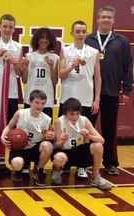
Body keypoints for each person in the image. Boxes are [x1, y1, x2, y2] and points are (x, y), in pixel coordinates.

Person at [85, 5, 133, 175]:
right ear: (97, 19)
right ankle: (84, 161)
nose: (106, 19)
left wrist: (127, 90)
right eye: (103, 17)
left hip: (112, 91)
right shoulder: (88, 39)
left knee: (110, 129)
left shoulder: (121, 41)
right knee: (86, 129)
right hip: (88, 92)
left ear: (113, 20)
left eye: (109, 17)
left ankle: (111, 162)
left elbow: (128, 66)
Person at [59, 20, 102, 178]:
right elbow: (61, 75)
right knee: (65, 134)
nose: (81, 34)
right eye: (77, 31)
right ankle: (64, 165)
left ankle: (82, 167)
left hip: (86, 99)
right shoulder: (65, 50)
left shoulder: (93, 52)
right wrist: (71, 66)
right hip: (67, 98)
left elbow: (97, 77)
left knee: (84, 135)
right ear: (72, 33)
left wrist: (97, 99)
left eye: (84, 31)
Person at [0, 14, 23, 177]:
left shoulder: (18, 46)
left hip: (12, 92)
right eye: (5, 26)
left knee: (10, 129)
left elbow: (21, 73)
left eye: (10, 27)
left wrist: (16, 64)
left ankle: (10, 162)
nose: (7, 29)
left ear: (14, 29)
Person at [51, 98, 112, 190]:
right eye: (72, 114)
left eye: (77, 114)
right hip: (65, 152)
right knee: (59, 158)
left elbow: (102, 140)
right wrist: (63, 141)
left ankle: (95, 177)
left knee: (98, 146)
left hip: (80, 152)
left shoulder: (84, 120)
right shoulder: (59, 122)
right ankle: (57, 170)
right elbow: (56, 145)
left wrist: (89, 135)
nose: (75, 117)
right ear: (65, 113)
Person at [20, 28, 58, 177]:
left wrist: (51, 68)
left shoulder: (54, 58)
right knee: (26, 132)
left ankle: (39, 165)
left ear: (51, 41)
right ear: (37, 39)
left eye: (47, 38)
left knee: (44, 134)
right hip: (30, 100)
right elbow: (24, 79)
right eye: (41, 38)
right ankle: (25, 164)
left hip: (46, 102)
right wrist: (23, 68)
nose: (44, 41)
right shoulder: (29, 56)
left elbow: (55, 81)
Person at [1, 90, 54, 186]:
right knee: (17, 163)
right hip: (20, 148)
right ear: (29, 102)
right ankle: (18, 171)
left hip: (35, 149)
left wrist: (52, 134)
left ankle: (38, 170)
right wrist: (2, 136)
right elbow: (9, 126)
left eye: (42, 103)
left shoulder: (46, 119)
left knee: (48, 145)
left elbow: (53, 132)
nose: (40, 106)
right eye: (37, 102)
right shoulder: (20, 114)